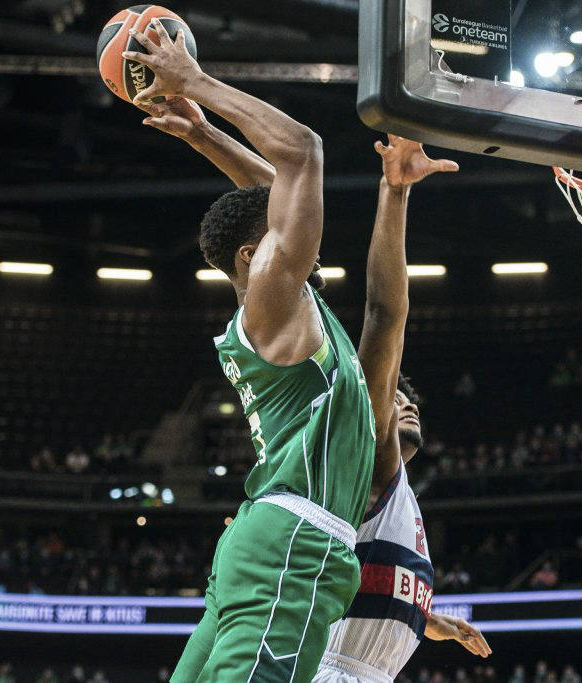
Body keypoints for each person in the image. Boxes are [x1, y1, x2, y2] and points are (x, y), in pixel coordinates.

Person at [125, 21, 375, 682]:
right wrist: (195, 81)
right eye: (281, 235)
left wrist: (204, 130)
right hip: (293, 541)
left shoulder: (277, 296)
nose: (305, 235)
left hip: (262, 539)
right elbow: (302, 154)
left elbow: (277, 187)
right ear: (251, 257)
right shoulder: (271, 296)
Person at [314, 136, 488, 683]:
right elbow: (385, 314)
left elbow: (364, 577)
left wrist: (423, 618)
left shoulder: (398, 499)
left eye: (409, 399)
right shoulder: (370, 460)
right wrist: (395, 194)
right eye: (396, 396)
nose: (405, 403)